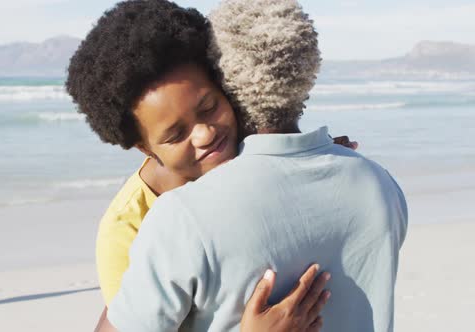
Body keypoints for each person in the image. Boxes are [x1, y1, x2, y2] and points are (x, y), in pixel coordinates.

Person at [90, 0, 408, 331]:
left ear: (226, 85)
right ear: (144, 147)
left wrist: (319, 160)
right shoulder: (135, 226)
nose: (204, 135)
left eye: (209, 106)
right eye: (175, 135)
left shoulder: (187, 216)